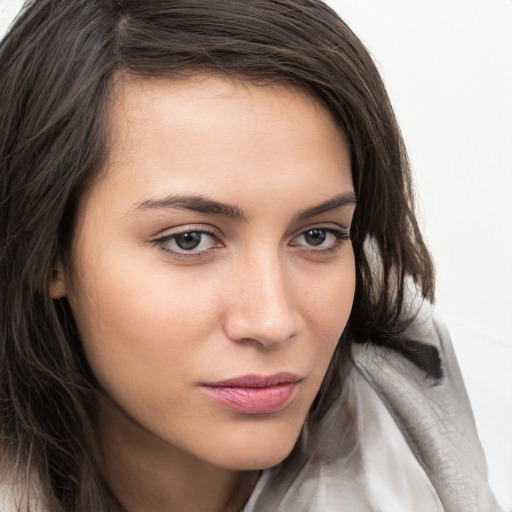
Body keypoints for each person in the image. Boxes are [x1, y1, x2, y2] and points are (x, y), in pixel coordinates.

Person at [0, 1, 500, 511]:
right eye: (189, 240)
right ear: (46, 250)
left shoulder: (471, 436)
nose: (272, 320)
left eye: (317, 236)